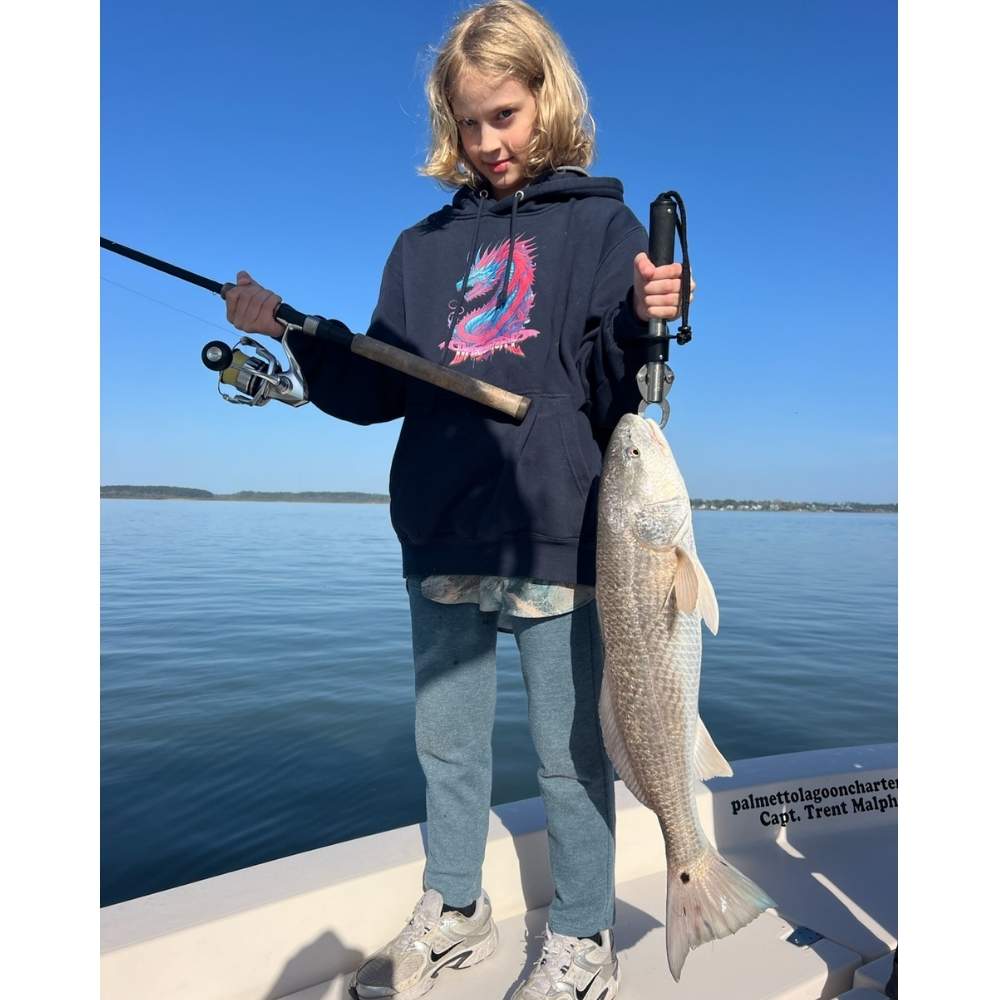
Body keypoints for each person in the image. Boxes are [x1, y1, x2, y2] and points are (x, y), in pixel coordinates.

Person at [224, 3, 694, 997]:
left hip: (556, 531)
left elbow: (617, 392)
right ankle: (456, 907)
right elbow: (375, 386)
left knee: (570, 756)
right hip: (439, 530)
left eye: (506, 116)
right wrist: (298, 335)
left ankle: (580, 938)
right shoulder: (420, 248)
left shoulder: (600, 230)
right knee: (446, 748)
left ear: (547, 100)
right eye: (469, 122)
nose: (488, 143)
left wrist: (650, 317)